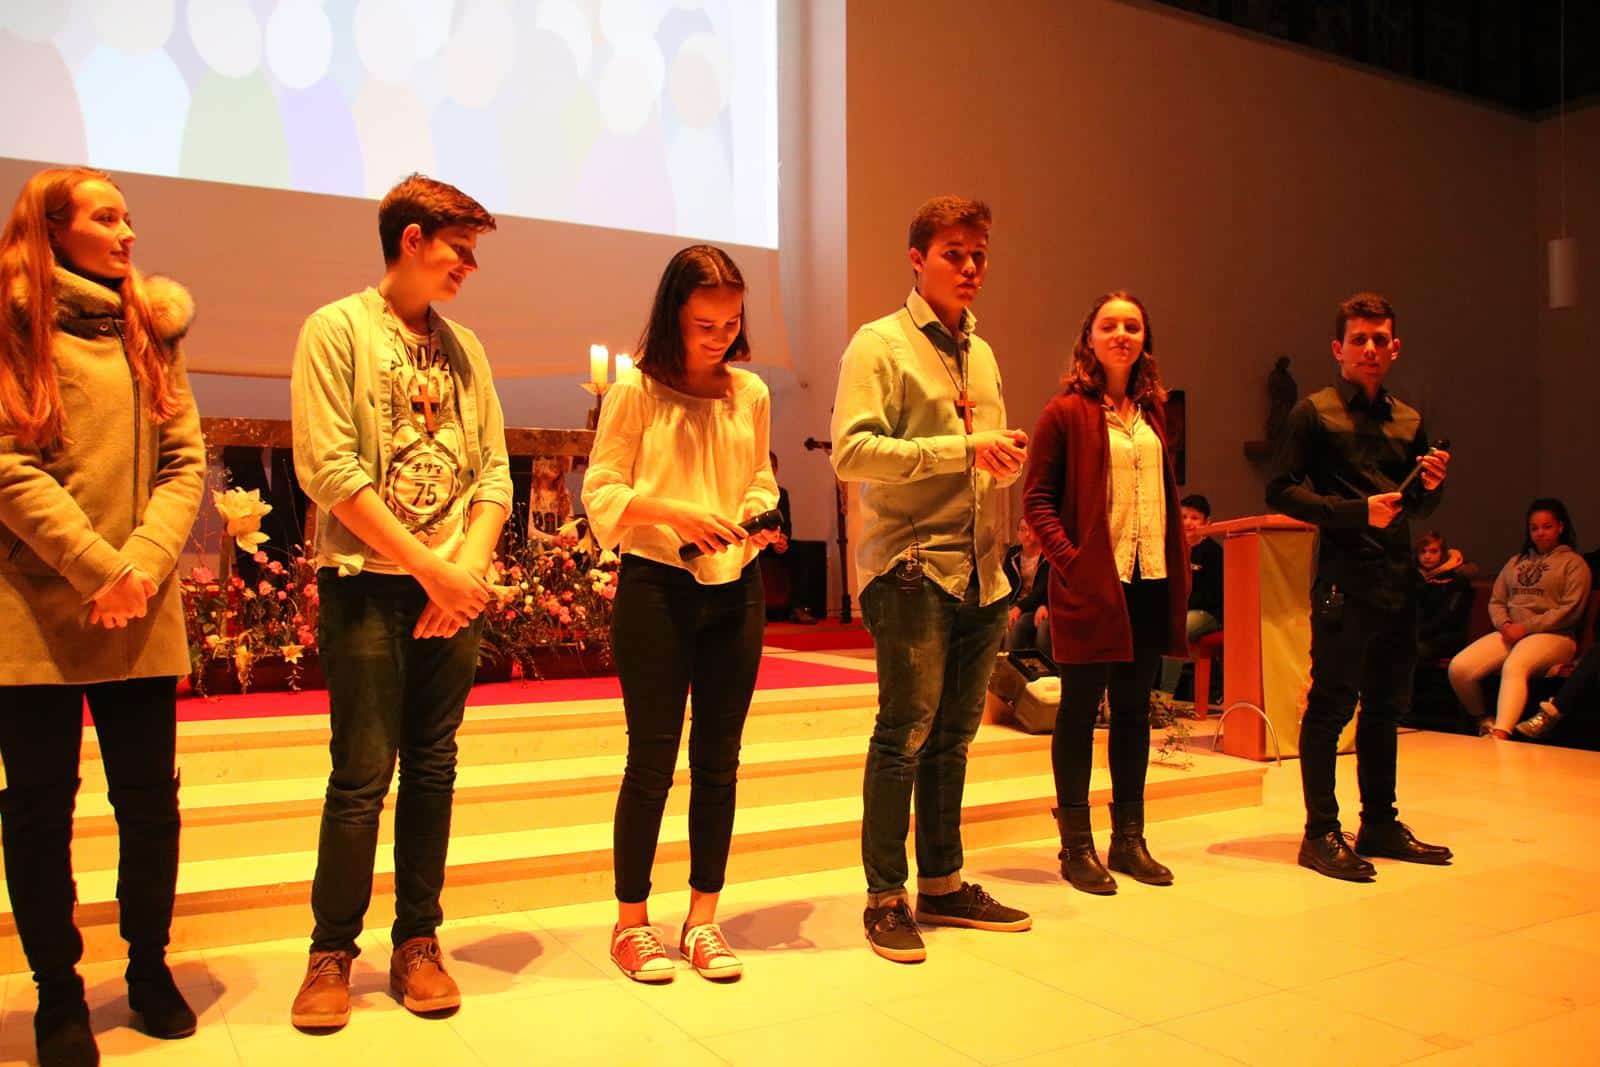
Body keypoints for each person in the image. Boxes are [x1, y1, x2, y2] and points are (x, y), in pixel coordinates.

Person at [288, 175, 510, 1029]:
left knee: (434, 766)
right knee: (361, 773)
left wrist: (465, 571)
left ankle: (418, 940)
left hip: (452, 590)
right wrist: (429, 570)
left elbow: (494, 472)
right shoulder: (336, 329)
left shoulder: (466, 348)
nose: (470, 267)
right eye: (461, 248)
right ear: (412, 240)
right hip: (369, 585)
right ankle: (331, 952)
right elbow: (330, 469)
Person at [0, 166, 205, 1066]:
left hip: (140, 608)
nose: (128, 233)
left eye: (130, 217)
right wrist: (97, 567)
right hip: (33, 611)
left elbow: (185, 460)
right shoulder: (11, 324)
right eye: (106, 217)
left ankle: (149, 967)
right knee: (39, 811)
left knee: (149, 804)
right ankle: (58, 993)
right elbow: (7, 465)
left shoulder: (150, 327)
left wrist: (142, 568)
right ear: (52, 231)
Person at [832, 195, 1032, 964]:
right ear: (917, 259)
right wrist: (964, 448)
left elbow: (983, 461)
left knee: (954, 737)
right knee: (904, 734)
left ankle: (942, 883)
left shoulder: (982, 353)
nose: (971, 267)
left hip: (982, 570)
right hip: (912, 568)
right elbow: (852, 453)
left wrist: (1000, 466)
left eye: (980, 254)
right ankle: (884, 896)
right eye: (955, 253)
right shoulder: (879, 344)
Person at [582, 245, 779, 983]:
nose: (719, 337)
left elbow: (759, 475)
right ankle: (631, 923)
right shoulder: (636, 391)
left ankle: (702, 918)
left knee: (720, 761)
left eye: (730, 323)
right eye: (704, 324)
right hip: (657, 586)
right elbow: (602, 490)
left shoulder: (750, 392)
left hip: (737, 587)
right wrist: (676, 512)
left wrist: (756, 514)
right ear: (673, 315)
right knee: (651, 761)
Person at [1267, 292, 1452, 882]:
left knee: (1386, 707)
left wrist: (1431, 486)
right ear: (1338, 349)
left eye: (1379, 340)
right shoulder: (1313, 413)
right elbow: (1280, 490)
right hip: (1344, 580)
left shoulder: (1410, 420)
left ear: (1394, 348)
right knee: (1330, 705)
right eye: (1359, 340)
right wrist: (1354, 512)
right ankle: (1320, 832)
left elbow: (1416, 507)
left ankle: (1379, 823)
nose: (1369, 349)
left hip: (1398, 578)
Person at [1023, 291, 1189, 895]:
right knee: (1078, 712)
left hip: (1148, 580)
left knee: (1134, 712)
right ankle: (1076, 845)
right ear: (1088, 338)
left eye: (1133, 326)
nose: (1122, 334)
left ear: (1145, 339)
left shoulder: (1154, 412)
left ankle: (1129, 839)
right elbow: (1037, 501)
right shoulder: (1064, 411)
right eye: (1110, 325)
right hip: (1093, 586)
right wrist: (1072, 564)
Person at [1447, 499, 1590, 738]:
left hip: (1555, 636)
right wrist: (1505, 624)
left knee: (1515, 665)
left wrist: (1526, 627)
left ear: (1560, 527)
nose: (1540, 533)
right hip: (1511, 632)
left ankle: (1501, 733)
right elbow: (1497, 601)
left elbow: (1570, 609)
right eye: (1534, 528)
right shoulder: (1515, 562)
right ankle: (1484, 720)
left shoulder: (1574, 564)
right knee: (1460, 668)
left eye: (1547, 526)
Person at [1158, 494, 1224, 697]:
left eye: (1195, 518)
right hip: (1177, 611)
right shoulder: (1169, 548)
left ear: (1207, 522)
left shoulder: (1213, 552)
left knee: (1178, 629)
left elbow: (1214, 595)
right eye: (1184, 516)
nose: (1188, 522)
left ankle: (1165, 696)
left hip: (1208, 614)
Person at [1414, 530, 1473, 662]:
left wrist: (1416, 633)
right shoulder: (1415, 577)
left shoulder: (1456, 579)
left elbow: (1448, 617)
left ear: (1443, 553)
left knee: (1412, 651)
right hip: (1419, 635)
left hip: (1446, 636)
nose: (1427, 556)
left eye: (1433, 551)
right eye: (1423, 552)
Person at [1002, 517, 1052, 661]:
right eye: (1023, 530)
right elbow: (1005, 584)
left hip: (1037, 605)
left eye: (1031, 530)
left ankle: (1027, 666)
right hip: (1016, 603)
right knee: (998, 621)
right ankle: (1005, 666)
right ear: (1018, 533)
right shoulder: (1013, 554)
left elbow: (1042, 589)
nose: (1027, 534)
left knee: (1019, 624)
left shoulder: (1047, 556)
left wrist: (1019, 608)